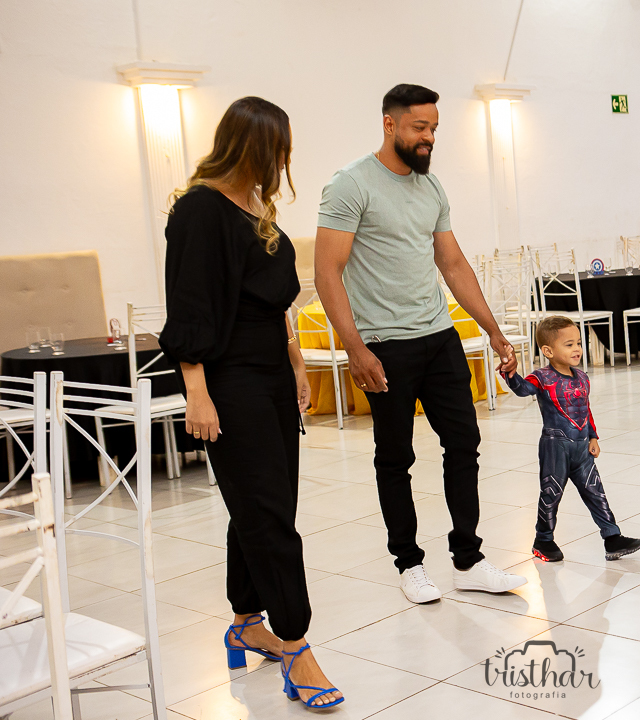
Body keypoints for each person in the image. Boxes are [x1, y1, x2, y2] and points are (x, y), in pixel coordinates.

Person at [160, 97, 343, 709]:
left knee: (264, 507)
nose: (283, 163)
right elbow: (188, 308)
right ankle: (295, 644)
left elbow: (276, 304)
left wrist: (296, 365)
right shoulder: (199, 209)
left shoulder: (256, 206)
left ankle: (245, 621)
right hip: (229, 381)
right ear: (255, 147)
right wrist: (197, 393)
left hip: (270, 375)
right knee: (269, 516)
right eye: (279, 151)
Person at [314, 83, 526, 603]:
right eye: (419, 127)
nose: (429, 137)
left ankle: (468, 559)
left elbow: (452, 264)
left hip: (438, 335)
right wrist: (355, 348)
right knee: (395, 457)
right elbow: (327, 272)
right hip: (384, 344)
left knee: (464, 444)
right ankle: (409, 563)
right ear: (389, 124)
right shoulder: (350, 184)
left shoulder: (431, 188)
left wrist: (493, 329)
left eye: (433, 128)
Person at [502, 316, 640, 562]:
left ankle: (612, 538)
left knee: (595, 492)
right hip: (555, 446)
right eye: (569, 345)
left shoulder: (582, 377)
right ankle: (543, 540)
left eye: (578, 343)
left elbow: (585, 409)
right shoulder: (541, 377)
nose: (577, 349)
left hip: (581, 448)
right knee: (551, 494)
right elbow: (522, 389)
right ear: (548, 351)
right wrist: (510, 373)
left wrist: (593, 436)